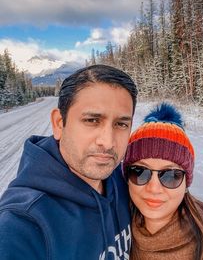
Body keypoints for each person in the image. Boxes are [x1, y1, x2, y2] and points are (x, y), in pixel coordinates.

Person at [0, 64, 137, 260]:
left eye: (121, 124)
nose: (108, 142)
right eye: (92, 120)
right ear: (59, 123)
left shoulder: (125, 180)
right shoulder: (22, 226)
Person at [123, 102, 203, 260]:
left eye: (170, 175)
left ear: (186, 183)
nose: (154, 188)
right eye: (139, 172)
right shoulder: (117, 232)